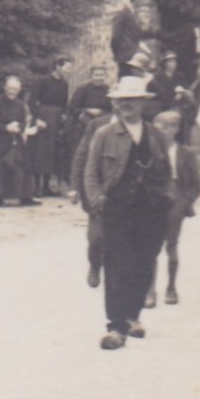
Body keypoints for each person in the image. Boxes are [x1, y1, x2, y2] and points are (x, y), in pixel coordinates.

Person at [83, 75, 172, 351]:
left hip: (150, 210)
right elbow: (91, 172)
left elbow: (166, 172)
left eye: (132, 101)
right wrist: (97, 199)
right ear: (115, 104)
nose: (126, 106)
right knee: (117, 266)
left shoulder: (156, 135)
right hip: (117, 209)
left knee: (144, 263)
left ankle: (134, 316)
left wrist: (165, 199)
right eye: (121, 101)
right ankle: (116, 327)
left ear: (142, 104)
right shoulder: (104, 135)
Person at [153, 109, 200, 307]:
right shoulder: (150, 151)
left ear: (176, 129)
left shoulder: (186, 153)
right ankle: (150, 289)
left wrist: (185, 202)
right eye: (159, 126)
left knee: (171, 244)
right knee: (151, 246)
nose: (162, 130)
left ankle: (171, 287)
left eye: (168, 126)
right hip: (154, 198)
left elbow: (196, 185)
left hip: (176, 197)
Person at [69, 107, 114, 289]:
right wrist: (75, 187)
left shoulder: (143, 127)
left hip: (127, 194)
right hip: (97, 191)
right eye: (120, 101)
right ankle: (95, 264)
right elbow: (82, 157)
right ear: (113, 102)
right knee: (96, 238)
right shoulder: (97, 125)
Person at [0, 75, 37, 206]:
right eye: (10, 88)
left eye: (15, 89)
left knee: (22, 166)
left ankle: (25, 196)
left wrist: (18, 127)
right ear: (5, 88)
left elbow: (24, 122)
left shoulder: (20, 104)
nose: (12, 92)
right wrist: (6, 127)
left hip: (15, 140)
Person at [27, 58, 71, 196]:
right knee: (41, 151)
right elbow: (32, 101)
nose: (68, 71)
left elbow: (63, 104)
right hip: (43, 118)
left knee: (53, 152)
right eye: (66, 67)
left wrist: (63, 115)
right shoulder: (43, 81)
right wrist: (37, 118)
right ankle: (36, 187)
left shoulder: (64, 84)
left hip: (56, 119)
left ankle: (47, 186)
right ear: (57, 66)